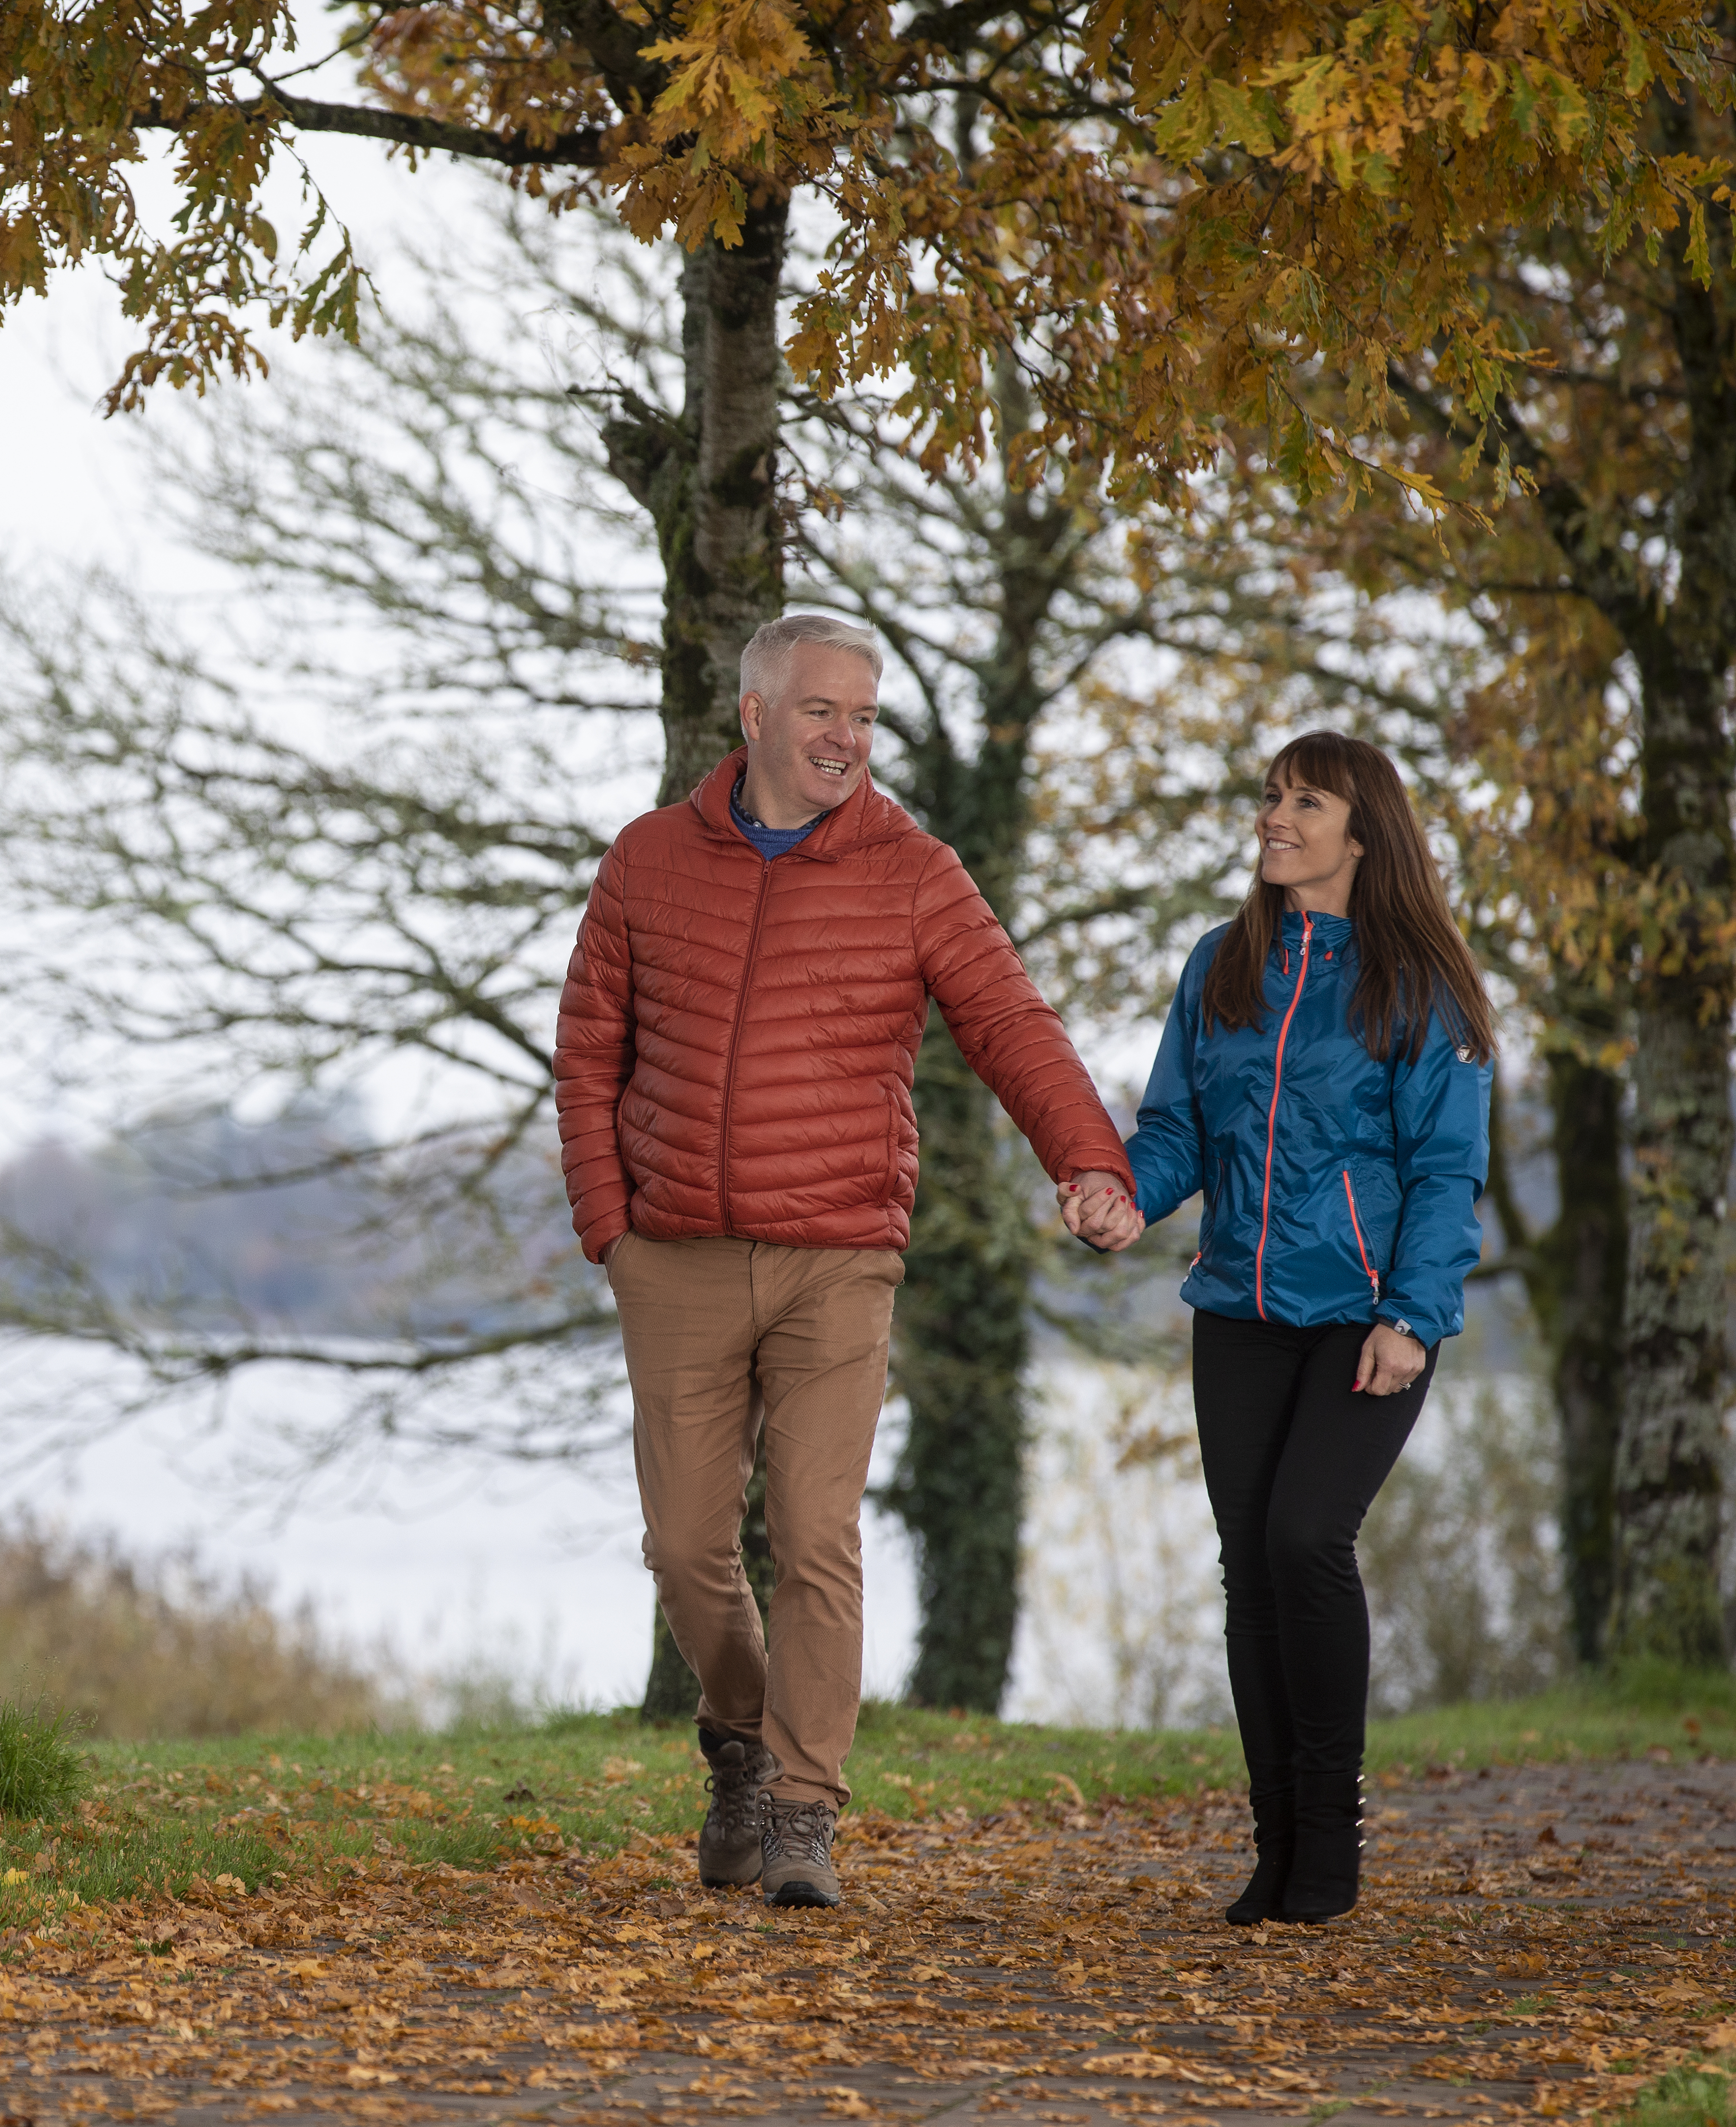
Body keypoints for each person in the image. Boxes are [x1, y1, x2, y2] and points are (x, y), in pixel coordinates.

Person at [556, 612, 1136, 1911]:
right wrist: (610, 1223)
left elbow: (1006, 1020)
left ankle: (802, 1808)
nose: (847, 739)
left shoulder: (911, 870)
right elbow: (587, 1049)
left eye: (865, 718)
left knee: (816, 1533)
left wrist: (1087, 1160)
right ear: (753, 718)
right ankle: (736, 1740)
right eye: (822, 712)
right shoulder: (647, 862)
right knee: (682, 1545)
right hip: (676, 1254)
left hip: (837, 1257)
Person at [1066, 730, 1495, 1926]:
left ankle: (1334, 1837)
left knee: (1308, 1539)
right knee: (1250, 1571)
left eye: (1305, 802)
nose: (1275, 818)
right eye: (1269, 796)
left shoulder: (1421, 984)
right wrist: (1122, 1200)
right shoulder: (1221, 965)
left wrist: (1413, 1315)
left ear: (1364, 836)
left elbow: (1449, 1171)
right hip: (1239, 1313)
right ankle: (1278, 1850)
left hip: (1367, 1318)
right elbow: (1175, 1134)